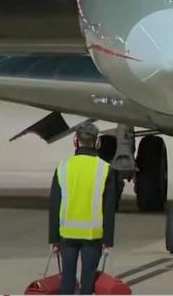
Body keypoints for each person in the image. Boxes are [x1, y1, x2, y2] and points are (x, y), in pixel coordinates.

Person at [49, 123, 118, 295]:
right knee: (87, 283)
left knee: (67, 279)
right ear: (97, 143)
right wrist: (108, 240)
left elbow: (54, 205)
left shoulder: (63, 168)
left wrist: (53, 238)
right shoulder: (105, 169)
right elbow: (109, 208)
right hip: (92, 236)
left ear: (75, 141)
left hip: (67, 235)